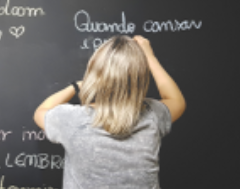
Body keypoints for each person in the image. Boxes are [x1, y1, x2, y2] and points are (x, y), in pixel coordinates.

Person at [34, 35, 185, 188]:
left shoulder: (73, 119)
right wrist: (149, 55)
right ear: (141, 79)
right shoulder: (152, 115)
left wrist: (75, 87)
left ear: (94, 72)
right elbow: (176, 100)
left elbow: (41, 112)